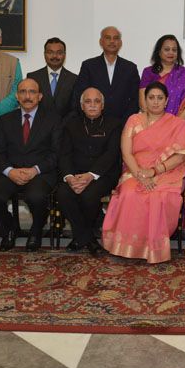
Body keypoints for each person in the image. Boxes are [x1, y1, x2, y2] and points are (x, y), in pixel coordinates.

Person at [102, 81, 185, 263]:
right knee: (129, 192)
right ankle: (127, 247)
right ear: (145, 100)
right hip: (135, 170)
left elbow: (182, 156)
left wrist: (154, 171)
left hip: (167, 172)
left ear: (166, 101)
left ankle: (152, 248)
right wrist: (140, 175)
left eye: (160, 98)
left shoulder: (177, 124)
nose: (155, 102)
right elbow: (126, 153)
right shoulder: (134, 120)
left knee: (157, 196)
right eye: (151, 97)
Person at [0, 78, 62, 251]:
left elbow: (56, 153)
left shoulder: (53, 119)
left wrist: (35, 170)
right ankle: (10, 228)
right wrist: (9, 171)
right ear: (17, 97)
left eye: (32, 92)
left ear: (40, 96)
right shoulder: (5, 120)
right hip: (11, 171)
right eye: (23, 92)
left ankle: (36, 231)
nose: (27, 96)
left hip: (40, 172)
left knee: (36, 197)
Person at [57, 87, 122, 256]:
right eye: (88, 101)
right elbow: (64, 154)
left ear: (102, 105)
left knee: (89, 196)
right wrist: (69, 177)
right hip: (76, 174)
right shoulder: (70, 125)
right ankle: (88, 238)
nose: (92, 105)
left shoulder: (114, 124)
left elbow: (111, 154)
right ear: (82, 106)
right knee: (63, 194)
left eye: (96, 101)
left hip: (103, 174)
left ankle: (80, 238)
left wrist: (90, 175)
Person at [73, 26, 140, 120]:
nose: (112, 41)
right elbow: (80, 95)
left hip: (123, 123)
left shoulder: (130, 68)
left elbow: (135, 99)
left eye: (116, 38)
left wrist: (125, 122)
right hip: (94, 122)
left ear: (120, 43)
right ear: (101, 42)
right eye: (108, 38)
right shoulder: (88, 66)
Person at [139, 34, 185, 122]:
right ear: (159, 52)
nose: (171, 52)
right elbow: (143, 103)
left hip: (178, 124)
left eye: (174, 50)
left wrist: (174, 124)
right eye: (167, 49)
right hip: (151, 123)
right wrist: (154, 123)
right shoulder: (149, 72)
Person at [27, 36, 77, 120]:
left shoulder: (74, 79)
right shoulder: (33, 77)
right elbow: (29, 105)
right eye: (50, 52)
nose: (54, 56)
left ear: (64, 55)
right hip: (38, 125)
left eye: (59, 53)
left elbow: (75, 109)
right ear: (44, 54)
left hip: (66, 126)